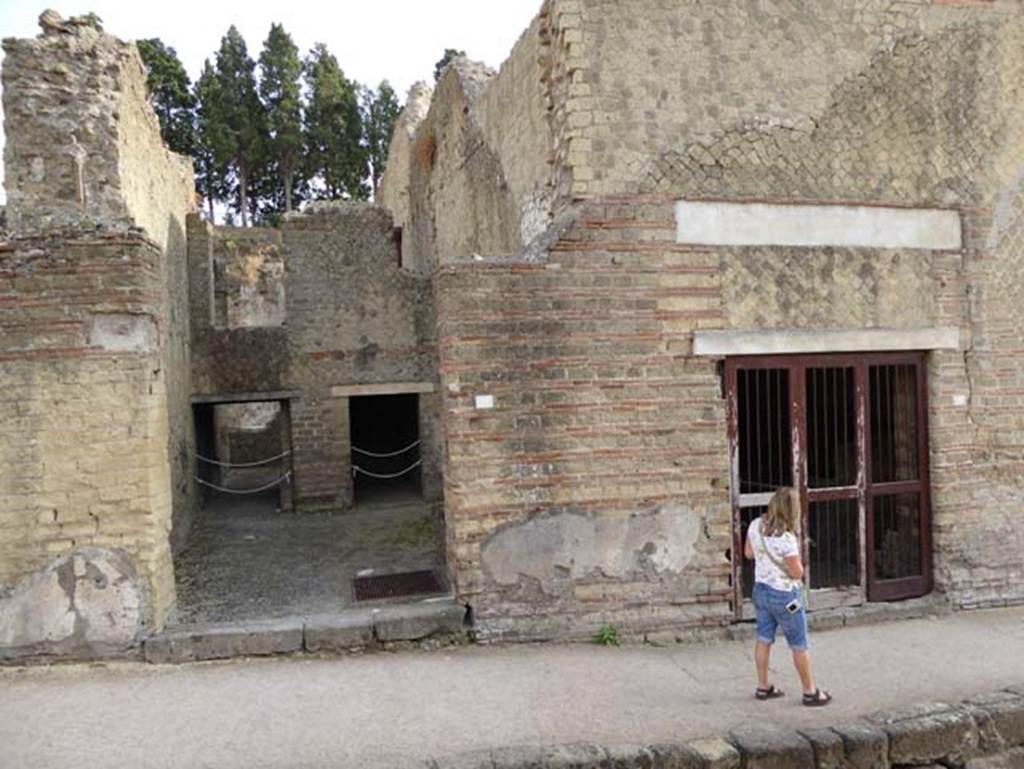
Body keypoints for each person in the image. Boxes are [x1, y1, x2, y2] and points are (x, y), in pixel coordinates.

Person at [744, 486, 832, 706]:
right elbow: (796, 572)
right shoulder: (787, 538)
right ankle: (810, 692)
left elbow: (748, 553)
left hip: (761, 592)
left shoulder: (755, 525)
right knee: (798, 643)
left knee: (764, 639)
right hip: (786, 598)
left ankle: (763, 687)